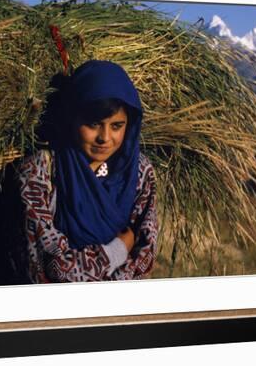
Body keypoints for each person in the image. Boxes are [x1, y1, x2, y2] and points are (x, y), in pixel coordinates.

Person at [18, 60, 158, 283]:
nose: (104, 138)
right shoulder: (40, 173)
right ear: (72, 118)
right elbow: (51, 269)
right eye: (93, 124)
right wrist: (117, 250)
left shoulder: (139, 173)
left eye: (116, 126)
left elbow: (144, 256)